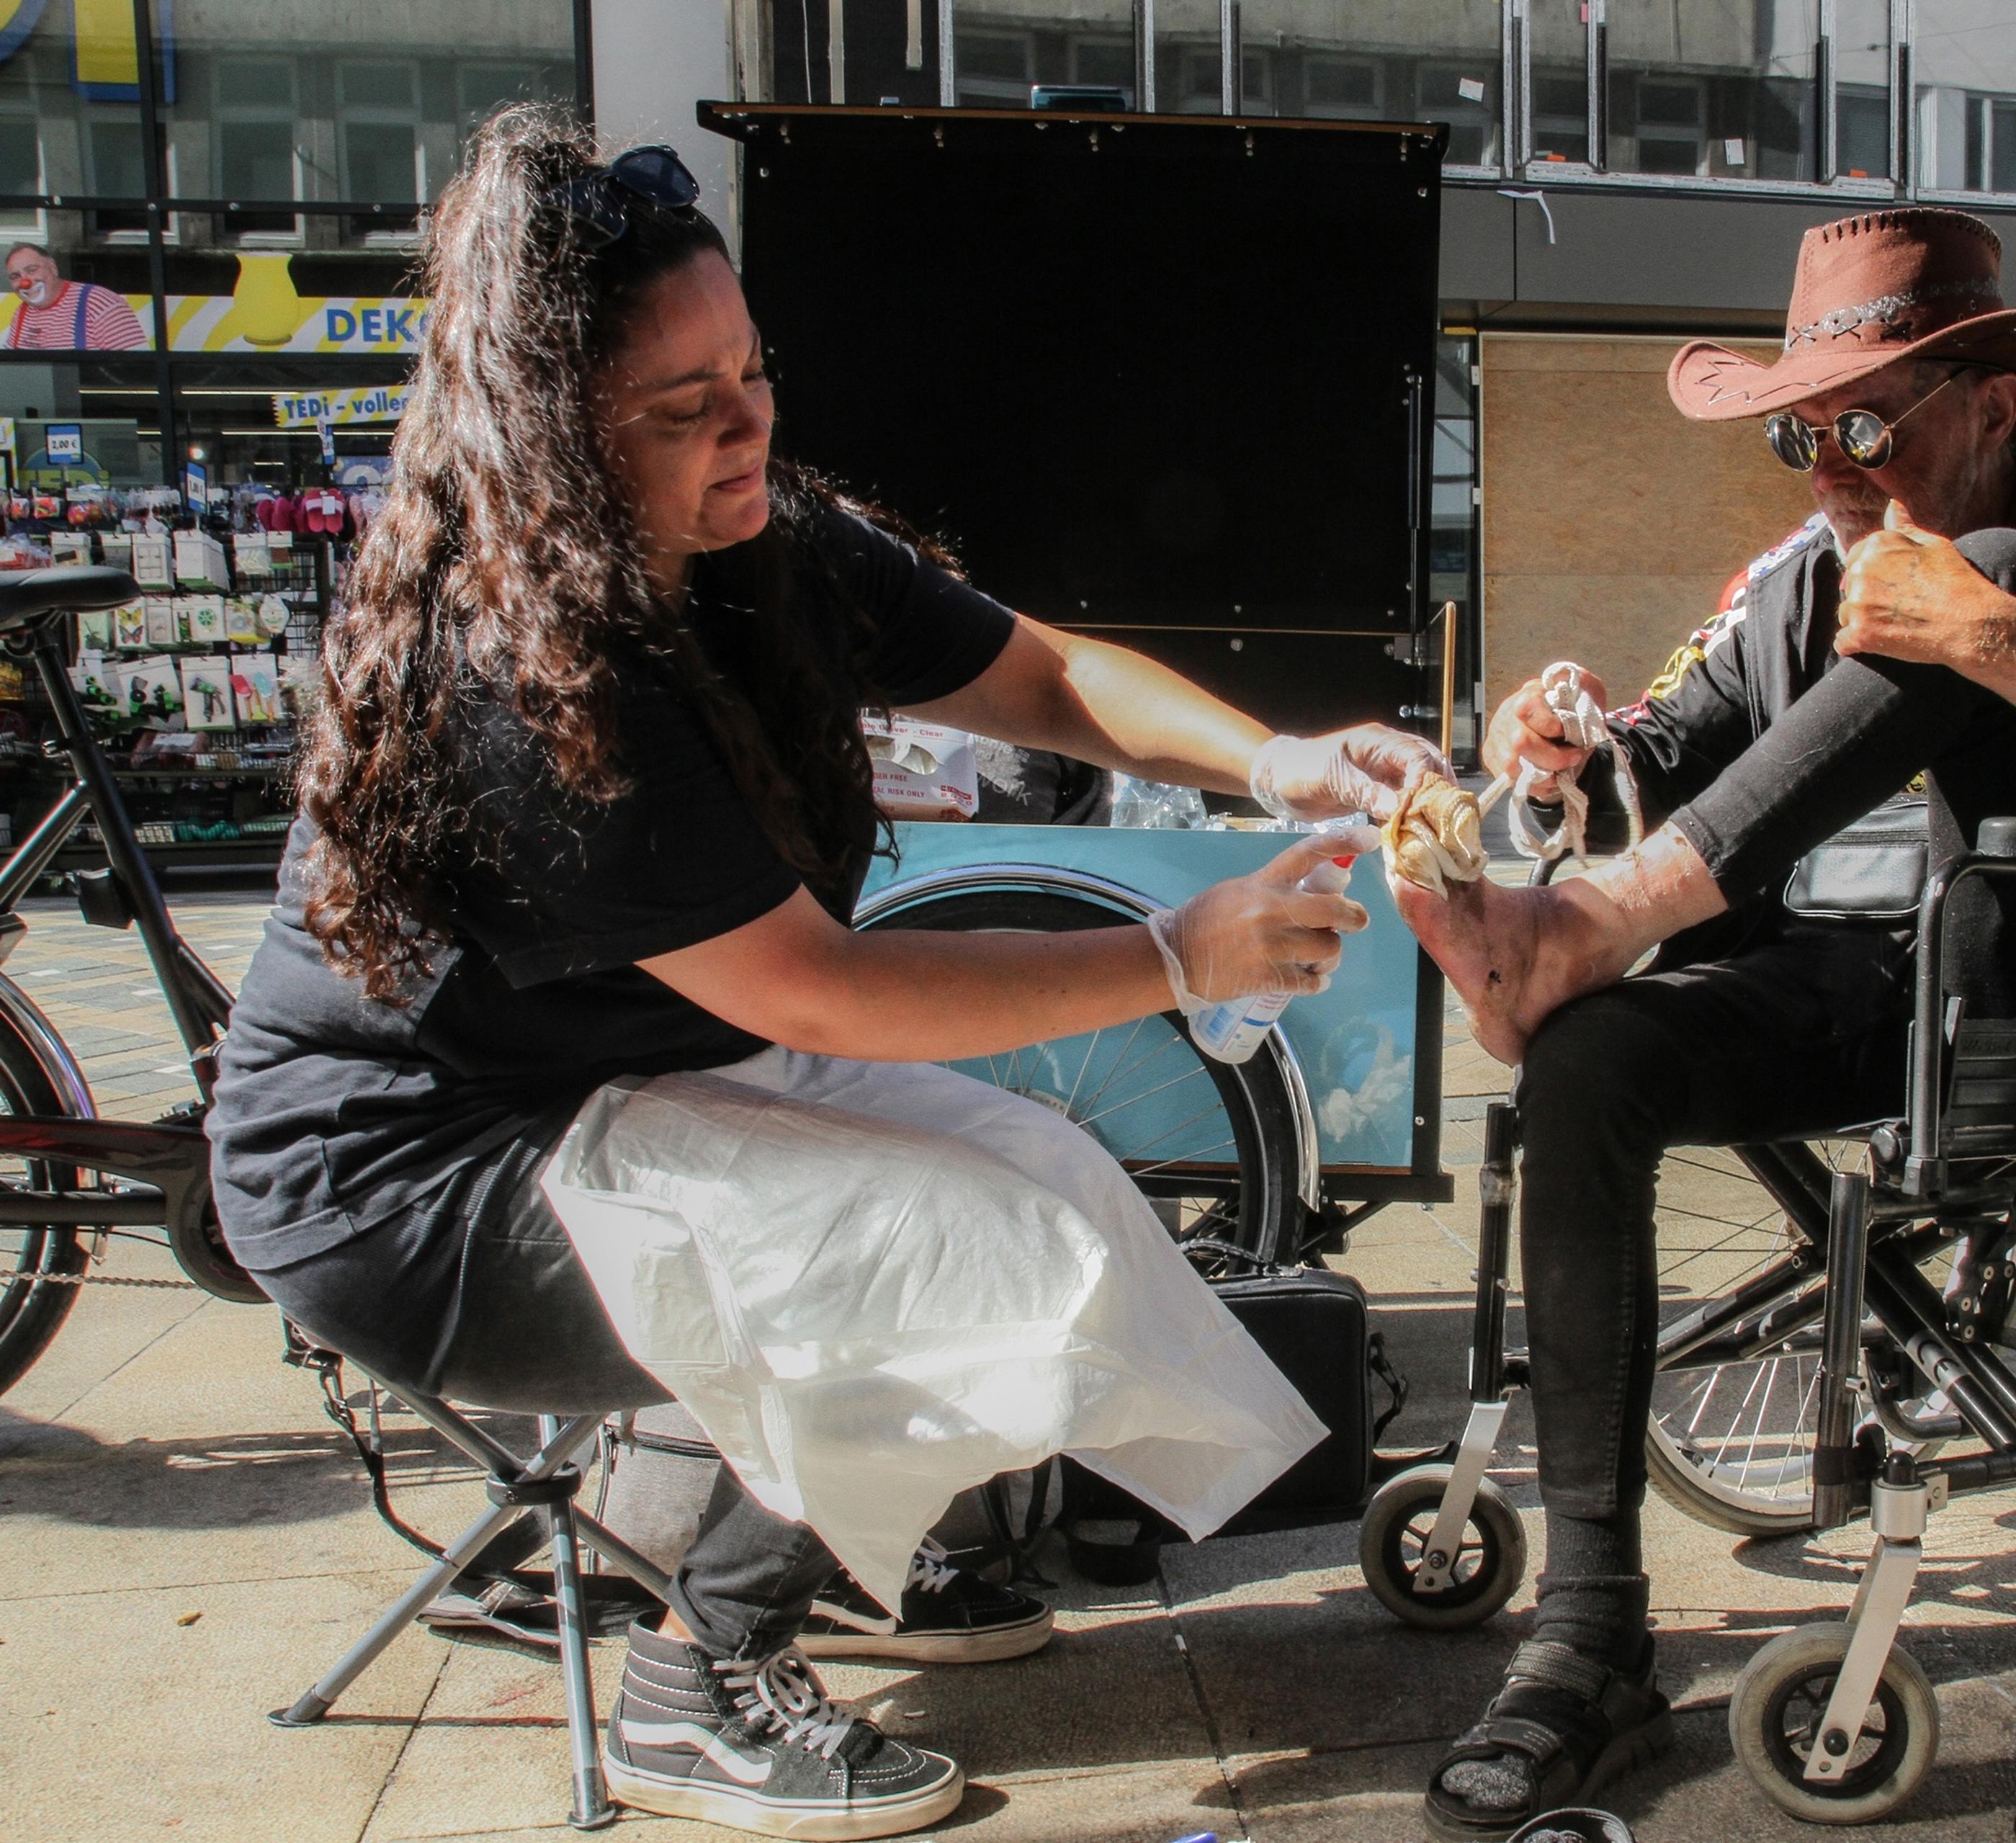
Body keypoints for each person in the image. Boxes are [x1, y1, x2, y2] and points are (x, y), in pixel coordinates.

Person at [205, 111, 1441, 1842]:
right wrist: (1172, 954)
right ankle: (697, 1676)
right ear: (547, 434)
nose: (747, 425)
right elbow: (820, 991)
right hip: (409, 1178)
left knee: (1058, 1189)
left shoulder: (753, 539)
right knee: (925, 1251)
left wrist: (1279, 762)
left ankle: (846, 1546)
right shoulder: (523, 670)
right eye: (680, 405)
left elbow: (1044, 672)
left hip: (606, 1092)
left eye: (752, 370)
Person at [1391, 206, 2016, 1837]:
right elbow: (1668, 743)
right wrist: (1563, 756)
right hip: (1831, 979)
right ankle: (1588, 1635)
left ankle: (1587, 926)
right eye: (1802, 429)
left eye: (1866, 420)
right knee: (1584, 1059)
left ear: (1994, 407)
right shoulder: (1792, 571)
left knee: (1988, 574)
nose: (1827, 462)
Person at [4, 243, 150, 350]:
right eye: (15, 276)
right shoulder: (22, 313)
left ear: (53, 268)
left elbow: (134, 368)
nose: (25, 282)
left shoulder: (99, 303)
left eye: (32, 270)